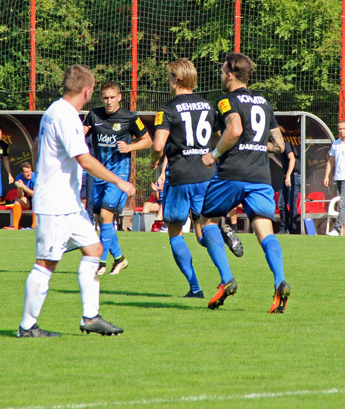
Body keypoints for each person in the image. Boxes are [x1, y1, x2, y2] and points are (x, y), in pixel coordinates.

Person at [18, 64, 133, 337]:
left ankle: (90, 317)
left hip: (69, 203)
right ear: (87, 90)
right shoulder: (67, 115)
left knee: (93, 250)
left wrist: (43, 168)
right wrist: (118, 180)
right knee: (47, 263)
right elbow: (84, 159)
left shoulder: (52, 111)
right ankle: (27, 326)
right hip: (55, 202)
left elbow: (36, 145)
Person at [199, 52, 290, 313]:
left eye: (221, 70)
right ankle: (279, 281)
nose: (220, 74)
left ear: (230, 73)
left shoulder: (227, 101)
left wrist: (214, 155)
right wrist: (256, 146)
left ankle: (226, 279)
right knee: (265, 232)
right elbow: (279, 144)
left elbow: (235, 129)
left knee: (205, 221)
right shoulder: (264, 103)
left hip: (232, 172)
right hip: (260, 176)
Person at [150, 58, 238, 299]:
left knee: (175, 232)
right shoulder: (208, 106)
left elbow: (158, 145)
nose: (168, 81)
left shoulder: (166, 110)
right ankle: (225, 276)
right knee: (205, 228)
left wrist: (153, 159)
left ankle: (195, 288)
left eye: (169, 77)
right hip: (207, 173)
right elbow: (222, 135)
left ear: (177, 79)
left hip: (180, 176)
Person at [84, 81, 152, 276]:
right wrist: (80, 133)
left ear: (120, 97)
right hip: (98, 174)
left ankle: (100, 262)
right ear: (101, 99)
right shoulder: (93, 115)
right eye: (105, 98)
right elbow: (81, 135)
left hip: (119, 175)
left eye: (112, 97)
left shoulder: (130, 118)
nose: (109, 101)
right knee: (101, 218)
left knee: (106, 215)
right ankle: (120, 259)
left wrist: (130, 147)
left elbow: (148, 140)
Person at [277, 139, 301, 234]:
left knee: (291, 204)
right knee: (281, 204)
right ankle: (283, 228)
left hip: (293, 176)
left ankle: (292, 229)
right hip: (289, 175)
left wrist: (288, 176)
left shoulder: (285, 144)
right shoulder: (283, 148)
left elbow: (292, 159)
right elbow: (286, 165)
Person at [8, 161, 36, 230]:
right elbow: (20, 196)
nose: (29, 174)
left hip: (40, 201)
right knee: (17, 201)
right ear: (22, 173)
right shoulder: (19, 177)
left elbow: (35, 194)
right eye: (26, 172)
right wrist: (20, 188)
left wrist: (23, 186)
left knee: (36, 199)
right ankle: (15, 226)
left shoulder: (35, 176)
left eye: (30, 171)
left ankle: (34, 226)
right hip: (29, 200)